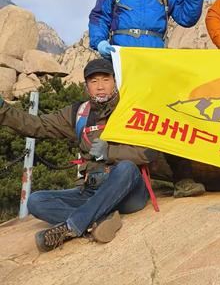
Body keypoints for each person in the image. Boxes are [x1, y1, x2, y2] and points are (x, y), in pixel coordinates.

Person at [0, 59, 160, 252]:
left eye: (105, 80)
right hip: (91, 189)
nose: (100, 87)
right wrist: (4, 110)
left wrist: (110, 152)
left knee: (126, 168)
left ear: (115, 81)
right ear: (86, 87)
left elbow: (149, 152)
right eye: (93, 82)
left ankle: (72, 227)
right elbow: (38, 125)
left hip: (128, 190)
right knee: (36, 201)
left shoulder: (130, 109)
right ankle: (98, 220)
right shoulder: (78, 113)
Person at [88, 0, 205, 198]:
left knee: (164, 116)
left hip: (154, 63)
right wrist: (99, 42)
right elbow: (99, 16)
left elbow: (187, 18)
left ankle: (183, 179)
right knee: (117, 116)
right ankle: (103, 179)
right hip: (122, 60)